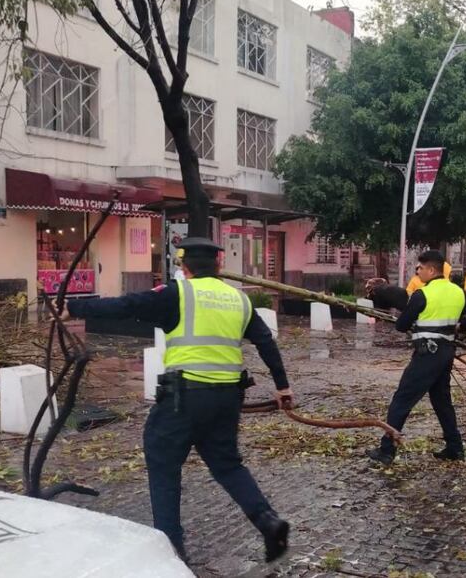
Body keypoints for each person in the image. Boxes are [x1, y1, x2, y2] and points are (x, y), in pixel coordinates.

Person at [58, 237, 292, 564]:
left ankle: (171, 552)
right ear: (219, 264)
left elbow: (129, 305)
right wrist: (283, 387)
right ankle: (267, 521)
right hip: (227, 398)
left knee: (163, 463)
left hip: (183, 397)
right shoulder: (239, 299)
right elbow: (266, 341)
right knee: (227, 464)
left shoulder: (177, 293)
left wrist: (75, 307)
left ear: (184, 267)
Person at [366, 250, 466, 466]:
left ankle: (387, 450)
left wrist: (414, 321)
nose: (417, 270)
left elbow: (401, 325)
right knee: (442, 401)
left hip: (426, 355)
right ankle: (455, 448)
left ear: (431, 270)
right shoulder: (459, 292)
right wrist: (460, 326)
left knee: (402, 400)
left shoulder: (423, 294)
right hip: (446, 353)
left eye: (420, 267)